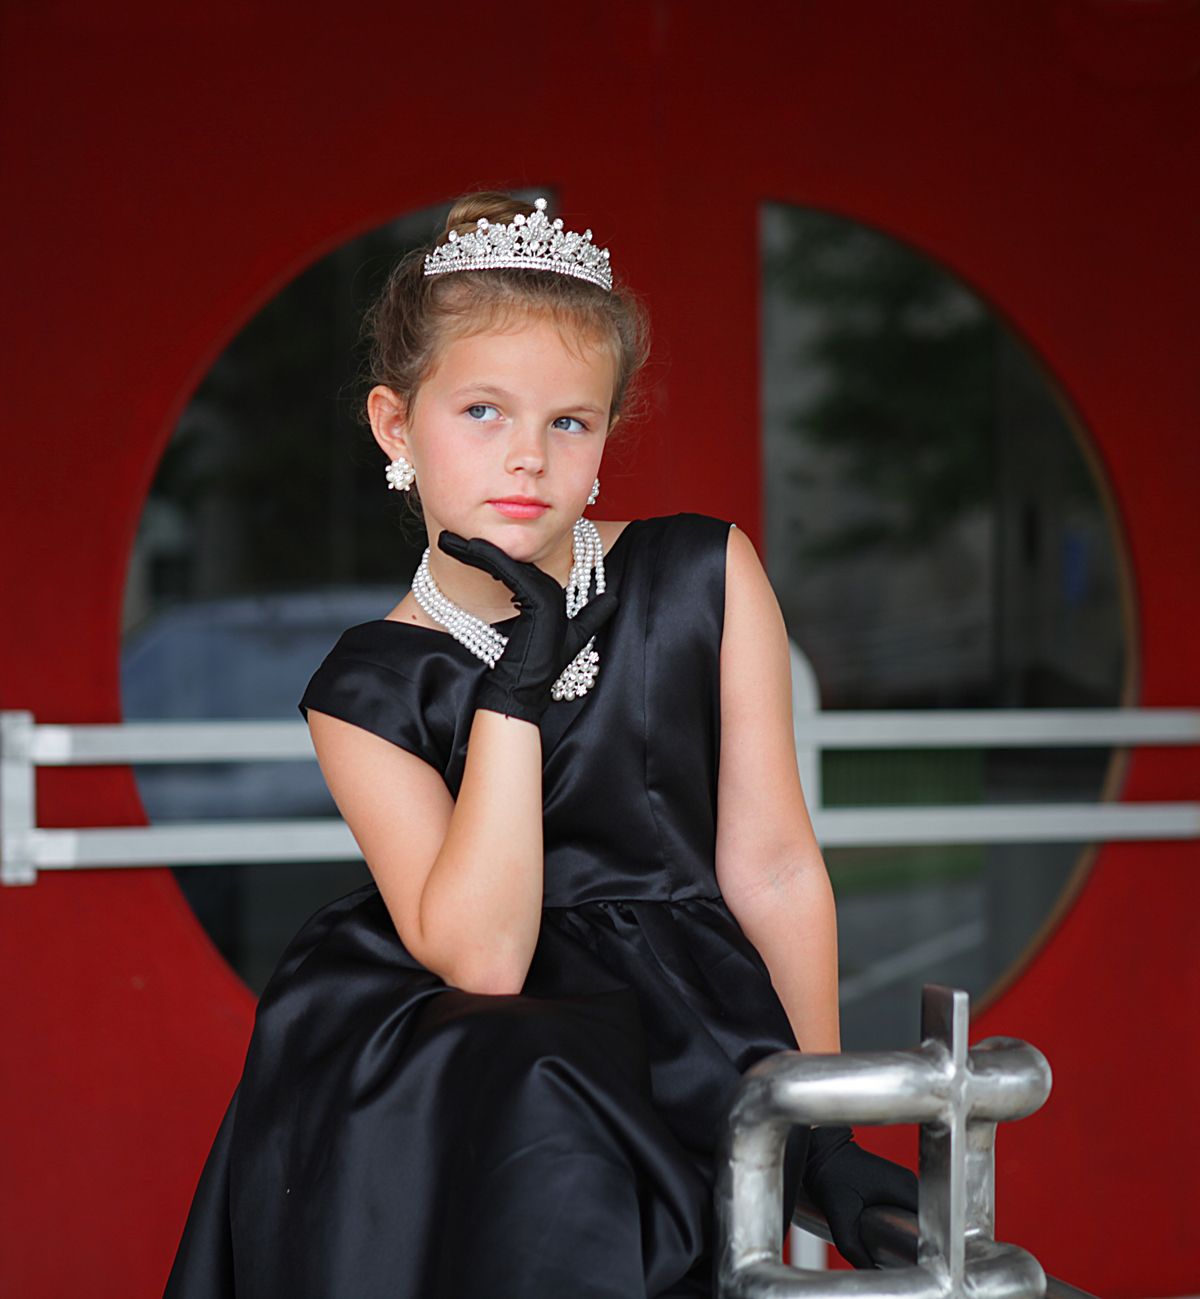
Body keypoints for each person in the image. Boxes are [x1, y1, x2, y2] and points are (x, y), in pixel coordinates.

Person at [163, 191, 917, 1299]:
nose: (529, 456)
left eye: (571, 420)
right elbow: (484, 958)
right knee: (543, 1097)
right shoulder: (361, 684)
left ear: (608, 433)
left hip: (684, 1016)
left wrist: (818, 1120)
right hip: (467, 1051)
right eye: (482, 411)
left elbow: (774, 867)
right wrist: (515, 691)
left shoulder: (702, 576)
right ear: (393, 427)